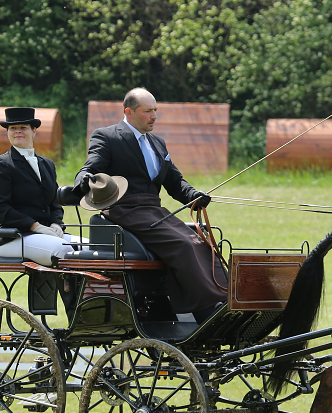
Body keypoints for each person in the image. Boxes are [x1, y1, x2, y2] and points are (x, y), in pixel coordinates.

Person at [74, 87, 226, 320]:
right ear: (129, 112)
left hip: (154, 211)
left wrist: (194, 197)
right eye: (148, 111)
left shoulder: (157, 143)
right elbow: (90, 167)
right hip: (125, 210)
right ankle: (205, 309)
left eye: (155, 110)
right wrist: (83, 180)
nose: (154, 116)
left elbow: (175, 181)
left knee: (200, 240)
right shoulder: (108, 136)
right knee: (182, 244)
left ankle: (223, 299)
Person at [0, 107, 81, 266]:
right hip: (11, 237)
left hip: (47, 234)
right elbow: (1, 208)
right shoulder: (1, 164)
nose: (18, 132)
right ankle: (67, 289)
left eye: (23, 128)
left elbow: (54, 202)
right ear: (7, 132)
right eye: (13, 128)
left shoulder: (47, 164)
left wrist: (56, 224)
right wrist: (35, 227)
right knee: (62, 250)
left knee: (90, 247)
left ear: (34, 131)